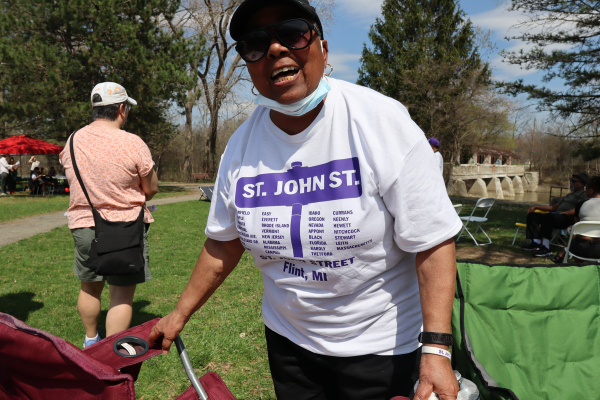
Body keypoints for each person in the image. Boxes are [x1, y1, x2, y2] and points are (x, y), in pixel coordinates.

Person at [149, 1, 462, 399]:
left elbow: (433, 240)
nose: (276, 49)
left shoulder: (381, 121)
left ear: (323, 49)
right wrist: (179, 314)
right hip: (289, 342)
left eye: (293, 33)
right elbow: (224, 240)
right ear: (249, 66)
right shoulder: (241, 147)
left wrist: (437, 350)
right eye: (256, 43)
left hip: (381, 347)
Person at [59, 82, 158, 348]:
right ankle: (111, 349)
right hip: (127, 228)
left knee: (89, 286)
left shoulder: (72, 141)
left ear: (94, 108)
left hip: (85, 225)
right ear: (122, 109)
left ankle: (91, 340)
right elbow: (151, 190)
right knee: (121, 295)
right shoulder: (132, 142)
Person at [521, 173, 589, 257]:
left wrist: (565, 213)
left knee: (549, 216)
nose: (571, 182)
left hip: (569, 218)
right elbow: (553, 208)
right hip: (557, 217)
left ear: (582, 184)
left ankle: (546, 248)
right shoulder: (568, 195)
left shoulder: (583, 194)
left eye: (574, 181)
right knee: (532, 216)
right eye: (571, 180)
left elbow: (579, 208)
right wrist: (536, 206)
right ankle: (536, 243)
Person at [551, 176, 600, 263]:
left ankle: (578, 266)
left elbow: (576, 229)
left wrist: (572, 228)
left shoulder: (580, 205)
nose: (585, 190)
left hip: (582, 250)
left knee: (576, 237)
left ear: (591, 190)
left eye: (586, 188)